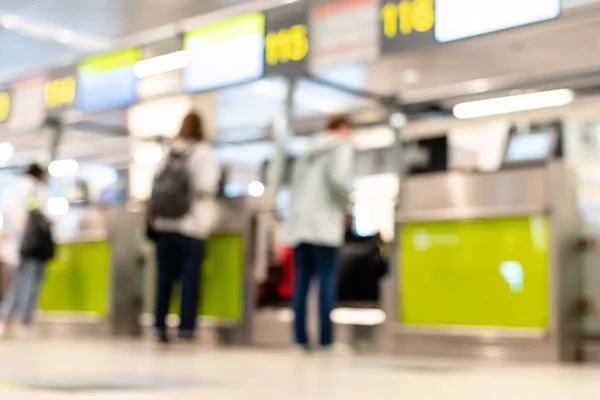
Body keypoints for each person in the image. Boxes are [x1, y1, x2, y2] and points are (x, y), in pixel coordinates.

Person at [285, 114, 354, 351]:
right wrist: (348, 205)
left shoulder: (308, 151)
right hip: (324, 224)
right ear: (344, 128)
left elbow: (294, 188)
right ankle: (326, 341)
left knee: (302, 283)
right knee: (326, 280)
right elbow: (339, 181)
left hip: (300, 226)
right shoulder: (341, 147)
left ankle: (299, 339)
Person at [150, 111, 220, 343]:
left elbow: (155, 182)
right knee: (189, 280)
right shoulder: (203, 153)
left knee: (163, 278)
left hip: (164, 224)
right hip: (191, 225)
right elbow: (207, 185)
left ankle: (159, 325)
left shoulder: (168, 151)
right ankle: (185, 328)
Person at [0, 164, 51, 338]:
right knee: (30, 284)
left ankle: (5, 320)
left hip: (20, 244)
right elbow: (37, 214)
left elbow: (10, 216)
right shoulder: (34, 188)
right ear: (39, 174)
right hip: (33, 245)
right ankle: (24, 322)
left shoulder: (13, 187)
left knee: (20, 283)